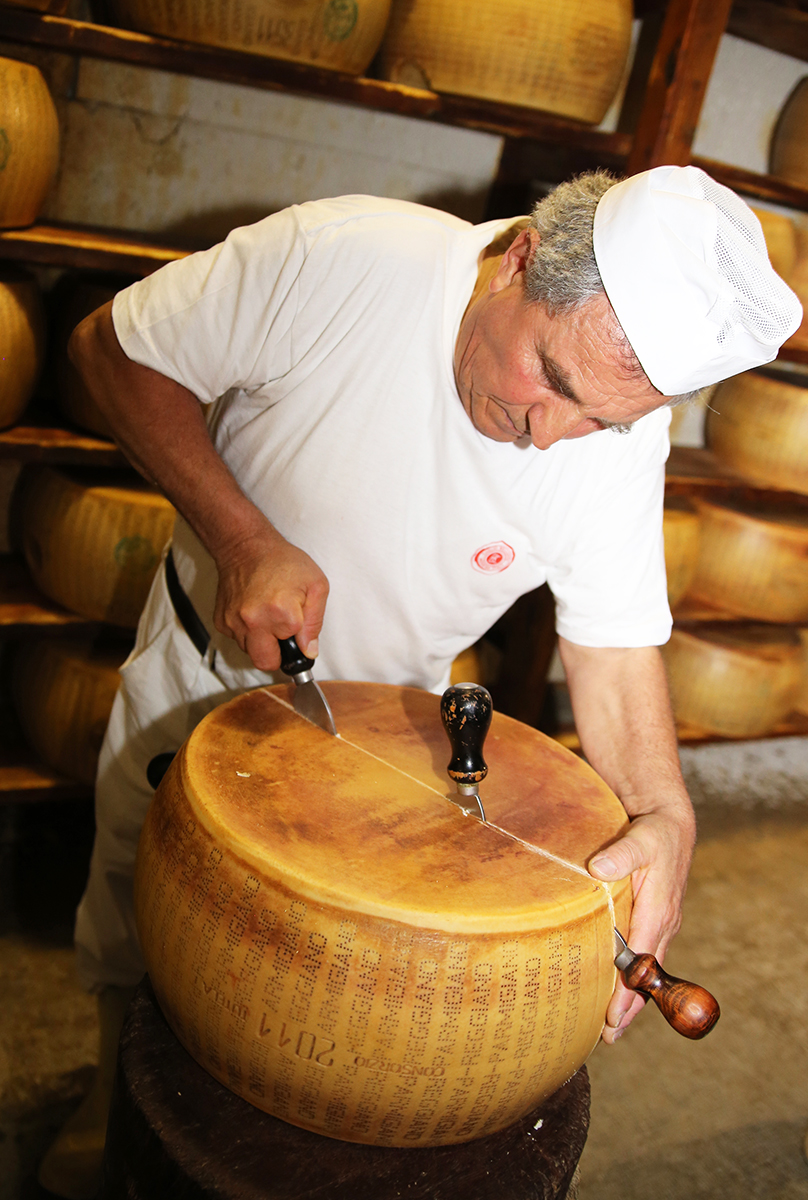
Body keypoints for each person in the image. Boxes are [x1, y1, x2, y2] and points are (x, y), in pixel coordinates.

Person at [39, 164, 800, 1198]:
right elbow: (111, 355)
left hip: (384, 731)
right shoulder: (347, 260)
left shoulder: (615, 424)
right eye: (554, 382)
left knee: (327, 991)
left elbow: (616, 646)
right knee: (134, 916)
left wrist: (666, 814)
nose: (550, 439)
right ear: (523, 258)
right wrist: (240, 537)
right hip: (200, 670)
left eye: (601, 422)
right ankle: (105, 1106)